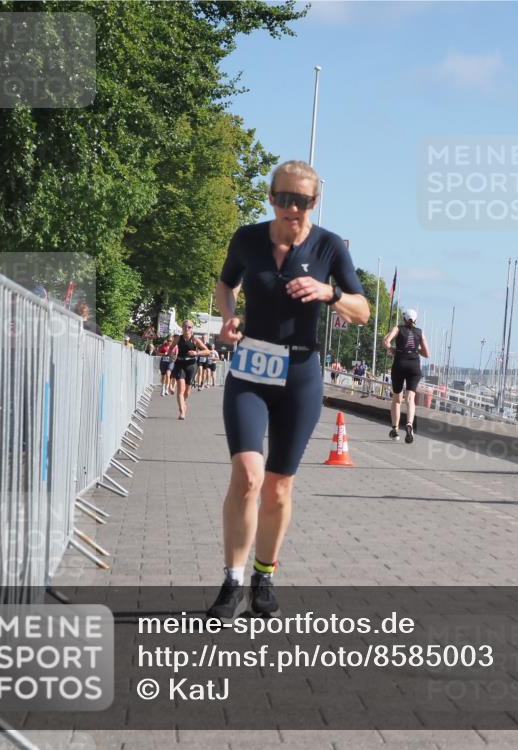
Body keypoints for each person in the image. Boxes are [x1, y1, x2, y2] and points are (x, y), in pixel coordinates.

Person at [210, 160, 369, 618]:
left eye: (301, 201)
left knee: (278, 487)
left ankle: (265, 574)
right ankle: (232, 581)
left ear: (314, 202)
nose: (291, 208)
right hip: (250, 369)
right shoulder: (247, 239)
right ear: (270, 197)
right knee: (247, 475)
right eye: (283, 199)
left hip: (300, 373)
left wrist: (330, 294)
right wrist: (228, 316)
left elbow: (363, 309)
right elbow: (225, 283)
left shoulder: (329, 246)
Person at [383, 309, 430, 443]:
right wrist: (415, 350)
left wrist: (391, 349)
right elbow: (427, 354)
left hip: (399, 364)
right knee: (410, 399)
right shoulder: (420, 332)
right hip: (414, 366)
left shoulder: (397, 328)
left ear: (404, 319)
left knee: (397, 399)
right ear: (415, 320)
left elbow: (386, 341)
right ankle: (409, 424)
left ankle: (395, 429)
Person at [171, 320, 211, 419]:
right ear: (182, 327)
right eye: (185, 326)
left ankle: (184, 403)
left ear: (192, 329)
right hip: (179, 364)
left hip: (191, 365)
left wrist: (196, 353)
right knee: (180, 389)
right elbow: (170, 348)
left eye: (189, 327)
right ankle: (181, 412)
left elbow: (207, 351)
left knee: (187, 391)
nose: (187, 328)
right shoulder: (178, 338)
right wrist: (171, 355)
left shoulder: (195, 340)